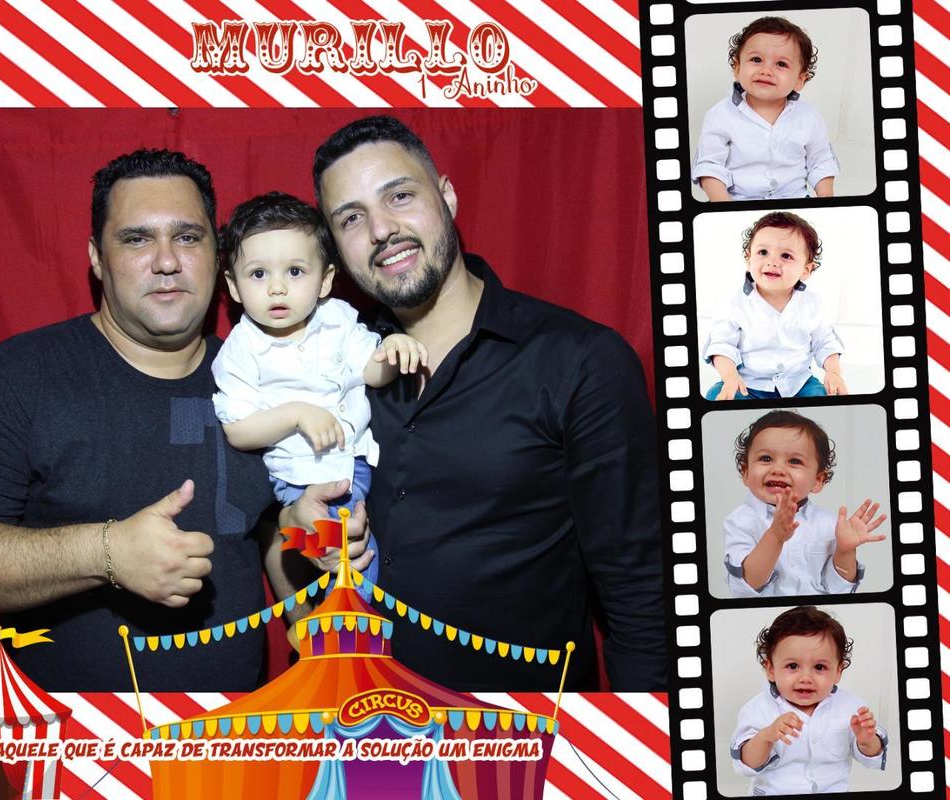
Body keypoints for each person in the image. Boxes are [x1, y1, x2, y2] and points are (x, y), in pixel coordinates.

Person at [0, 150, 323, 691]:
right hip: (70, 731)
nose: (166, 261)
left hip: (231, 728)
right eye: (136, 239)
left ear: (217, 255)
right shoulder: (19, 375)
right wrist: (105, 553)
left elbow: (266, 523)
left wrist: (308, 602)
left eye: (187, 237)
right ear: (97, 258)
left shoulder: (268, 382)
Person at [308, 115, 666, 691]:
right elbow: (290, 533)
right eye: (351, 218)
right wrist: (300, 531)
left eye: (399, 196)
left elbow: (642, 603)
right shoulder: (330, 368)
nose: (381, 230)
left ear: (447, 197)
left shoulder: (579, 361)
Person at [212, 192, 426, 591]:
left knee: (370, 547)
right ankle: (350, 622)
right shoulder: (240, 350)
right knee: (350, 557)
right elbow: (238, 430)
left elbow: (371, 372)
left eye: (295, 271)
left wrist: (392, 351)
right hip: (301, 478)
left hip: (357, 464)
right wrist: (296, 414)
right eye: (258, 274)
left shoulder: (337, 319)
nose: (277, 288)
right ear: (234, 286)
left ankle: (353, 616)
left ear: (325, 279)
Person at [723, 410, 886, 597]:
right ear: (745, 472)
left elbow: (839, 589)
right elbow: (747, 585)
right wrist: (775, 536)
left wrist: (845, 551)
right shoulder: (740, 521)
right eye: (766, 458)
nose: (778, 469)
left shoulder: (830, 524)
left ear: (817, 480)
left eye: (794, 461)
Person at [732, 606, 887, 794]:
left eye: (819, 667)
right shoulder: (758, 708)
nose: (806, 678)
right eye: (793, 666)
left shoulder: (851, 708)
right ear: (771, 669)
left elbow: (872, 759)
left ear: (838, 672)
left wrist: (867, 741)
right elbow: (746, 764)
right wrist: (767, 736)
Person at [693, 16, 839, 201]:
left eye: (781, 64)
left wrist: (825, 199)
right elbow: (710, 166)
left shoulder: (809, 117)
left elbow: (821, 161)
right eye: (756, 59)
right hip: (737, 200)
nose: (766, 71)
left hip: (794, 197)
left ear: (800, 80)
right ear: (737, 67)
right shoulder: (720, 116)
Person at [703, 211, 846, 400]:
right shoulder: (733, 302)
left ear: (806, 270)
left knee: (822, 395)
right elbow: (722, 345)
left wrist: (833, 372)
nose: (772, 262)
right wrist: (730, 377)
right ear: (748, 258)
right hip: (748, 383)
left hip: (798, 383)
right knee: (715, 395)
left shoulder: (812, 303)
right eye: (763, 252)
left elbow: (825, 342)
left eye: (786, 256)